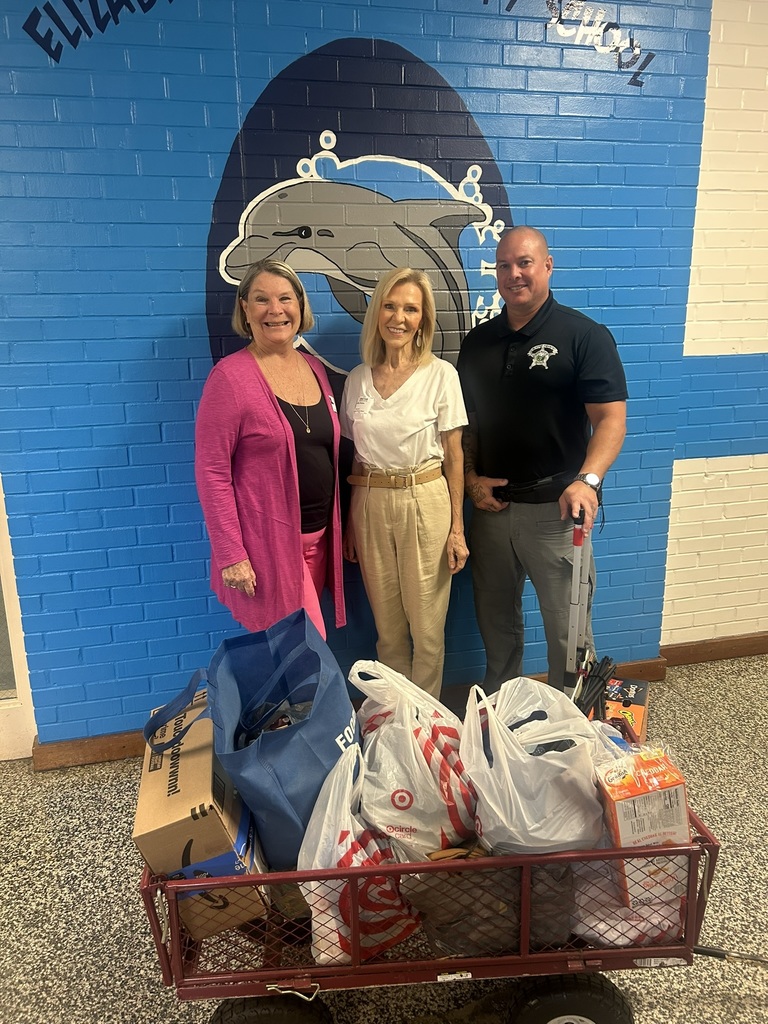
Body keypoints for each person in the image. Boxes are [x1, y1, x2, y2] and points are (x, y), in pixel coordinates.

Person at [457, 226, 627, 691]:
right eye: (505, 265)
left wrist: (588, 481)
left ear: (547, 266)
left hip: (557, 512)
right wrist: (470, 477)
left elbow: (611, 419)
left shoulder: (584, 336)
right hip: (492, 514)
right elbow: (467, 424)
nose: (514, 274)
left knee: (569, 634)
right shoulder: (476, 344)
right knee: (496, 625)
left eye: (525, 263)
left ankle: (574, 725)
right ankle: (499, 711)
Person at [194, 258, 345, 639]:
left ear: (300, 306)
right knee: (306, 646)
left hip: (319, 541)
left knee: (289, 646)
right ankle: (304, 701)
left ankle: (296, 701)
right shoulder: (229, 378)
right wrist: (231, 554)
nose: (275, 310)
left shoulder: (315, 369)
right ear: (245, 309)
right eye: (261, 300)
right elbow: (212, 471)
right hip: (269, 547)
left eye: (285, 298)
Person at [340, 268, 469, 697]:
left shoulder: (441, 375)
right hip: (370, 502)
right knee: (388, 631)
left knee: (427, 631)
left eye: (410, 309)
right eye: (390, 306)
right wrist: (348, 525)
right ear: (377, 312)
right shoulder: (358, 379)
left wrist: (457, 528)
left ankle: (426, 724)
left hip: (425, 499)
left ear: (423, 319)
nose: (399, 317)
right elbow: (353, 455)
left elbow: (455, 456)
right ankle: (397, 718)